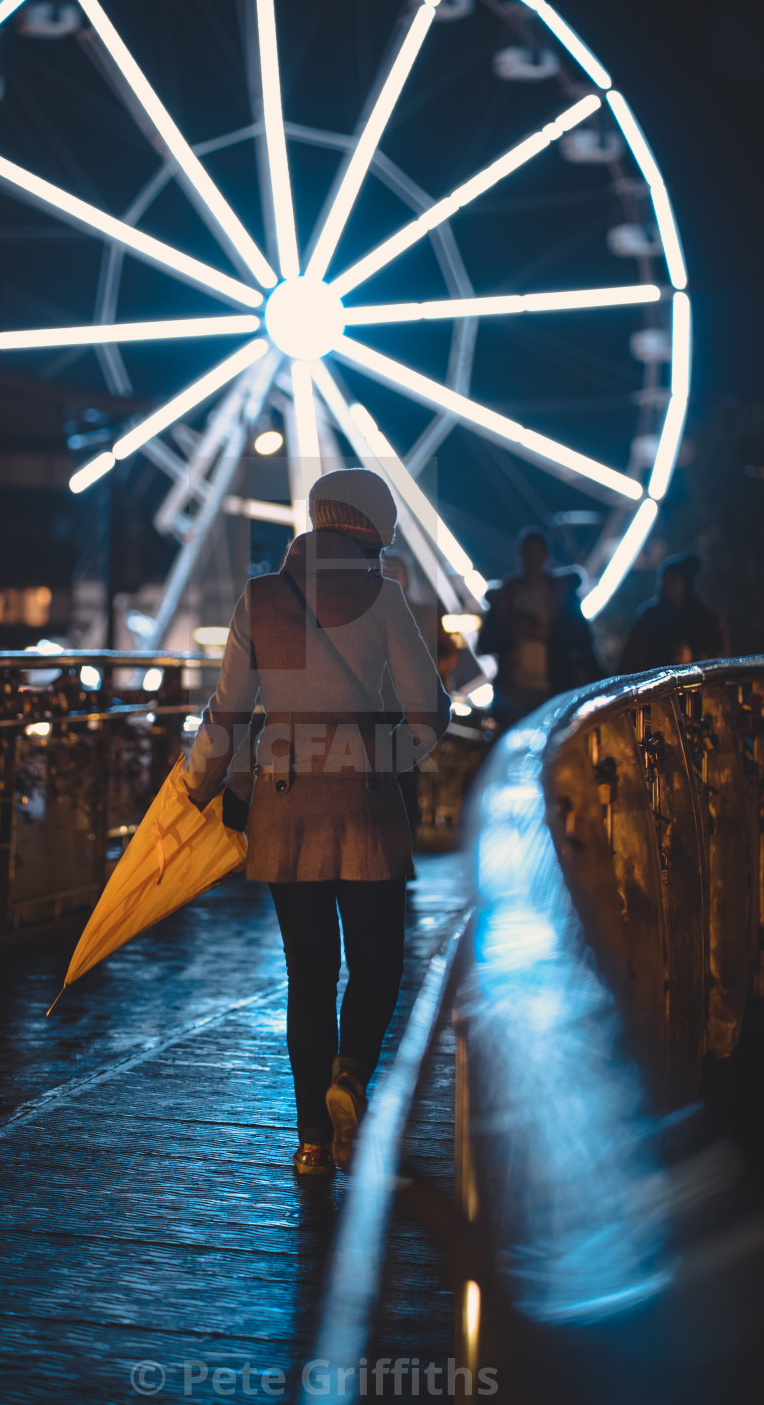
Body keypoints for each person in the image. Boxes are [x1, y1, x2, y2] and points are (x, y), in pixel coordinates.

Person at [183, 469, 451, 1177]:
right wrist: (386, 751)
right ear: (376, 526)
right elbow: (429, 715)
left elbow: (229, 713)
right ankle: (351, 1075)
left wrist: (195, 787)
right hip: (364, 802)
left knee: (308, 974)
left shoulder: (263, 598)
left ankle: (309, 1141)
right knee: (378, 963)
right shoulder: (385, 601)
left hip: (284, 803)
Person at [477, 527, 562, 726]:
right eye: (528, 555)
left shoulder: (561, 595)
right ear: (521, 557)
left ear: (545, 557)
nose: (532, 561)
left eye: (536, 555)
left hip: (548, 686)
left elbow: (579, 638)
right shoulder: (505, 596)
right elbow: (486, 643)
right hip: (516, 688)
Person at [619, 553, 727, 673]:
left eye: (673, 580)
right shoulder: (649, 617)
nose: (667, 586)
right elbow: (630, 658)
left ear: (685, 583)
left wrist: (693, 658)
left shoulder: (706, 618)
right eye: (665, 580)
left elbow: (719, 659)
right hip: (654, 687)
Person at [548, 568, 604, 692]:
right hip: (569, 668)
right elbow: (584, 638)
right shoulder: (570, 604)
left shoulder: (564, 606)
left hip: (565, 669)